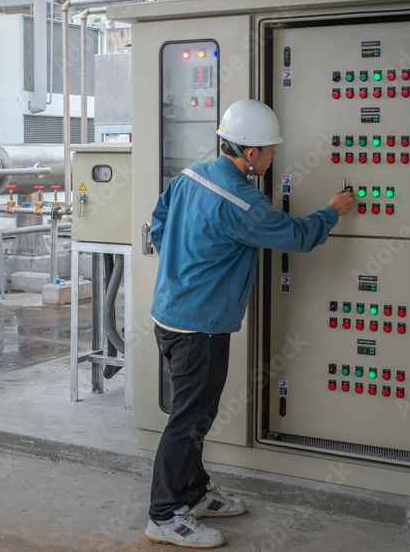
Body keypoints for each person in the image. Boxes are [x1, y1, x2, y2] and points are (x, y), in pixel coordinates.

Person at [143, 99, 355, 548]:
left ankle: (195, 492)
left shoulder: (187, 177)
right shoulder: (242, 201)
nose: (276, 156)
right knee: (189, 419)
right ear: (252, 153)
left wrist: (183, 271)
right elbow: (297, 235)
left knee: (195, 413)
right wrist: (333, 209)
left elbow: (157, 226)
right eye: (272, 149)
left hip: (169, 316)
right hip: (200, 328)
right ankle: (163, 515)